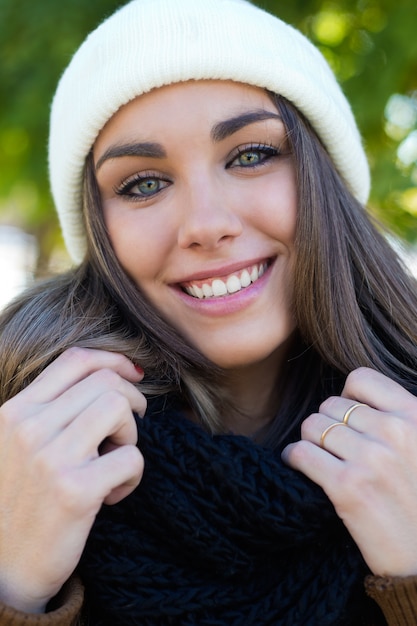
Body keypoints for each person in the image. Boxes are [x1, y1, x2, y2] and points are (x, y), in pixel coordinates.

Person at [1, 0, 417, 623]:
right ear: (100, 233)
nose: (206, 225)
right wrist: (10, 582)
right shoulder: (17, 439)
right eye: (143, 183)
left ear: (325, 183)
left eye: (251, 155)